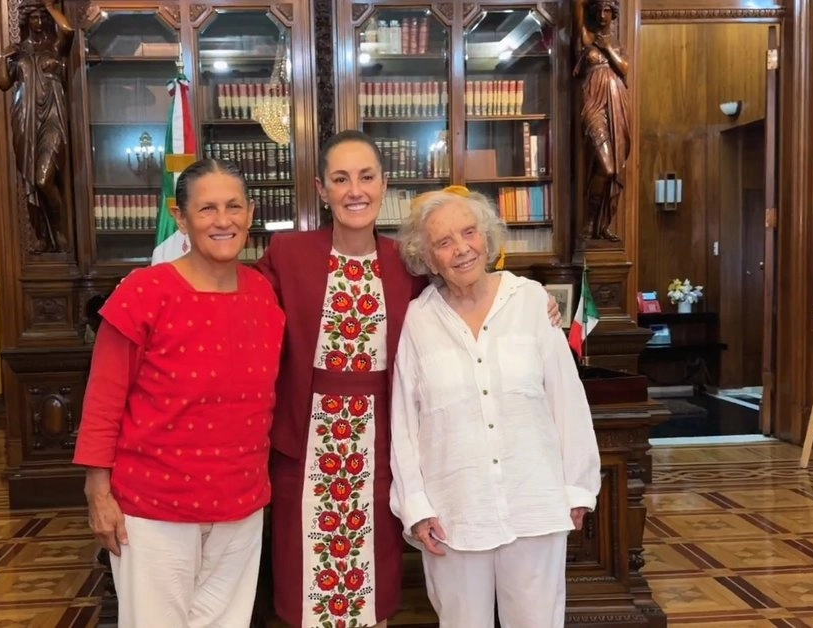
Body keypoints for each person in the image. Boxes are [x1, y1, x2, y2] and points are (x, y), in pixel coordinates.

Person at [256, 131, 562, 628]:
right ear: (322, 189)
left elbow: (470, 280)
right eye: (341, 179)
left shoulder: (408, 262)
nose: (355, 190)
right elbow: (243, 306)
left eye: (366, 177)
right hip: (310, 451)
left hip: (383, 449)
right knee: (304, 596)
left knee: (374, 592)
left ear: (383, 184)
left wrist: (535, 296)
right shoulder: (288, 254)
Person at [73, 158, 285, 628]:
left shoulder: (263, 294)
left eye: (234, 207)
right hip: (154, 508)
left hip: (241, 502)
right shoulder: (142, 293)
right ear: (181, 216)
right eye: (207, 209)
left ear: (251, 213)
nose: (223, 220)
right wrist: (97, 493)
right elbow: (104, 400)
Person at [389, 187, 602, 628]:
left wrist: (578, 486)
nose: (461, 248)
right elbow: (404, 424)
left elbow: (568, 400)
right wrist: (416, 506)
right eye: (444, 242)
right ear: (427, 259)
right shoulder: (417, 320)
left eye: (469, 232)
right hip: (454, 514)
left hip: (535, 504)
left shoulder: (530, 303)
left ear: (486, 238)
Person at [0, 0, 74, 252]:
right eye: (34, 17)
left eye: (43, 17)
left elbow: (68, 30)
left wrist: (51, 6)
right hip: (24, 118)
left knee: (44, 179)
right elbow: (3, 84)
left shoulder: (55, 47)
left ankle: (60, 232)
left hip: (52, 116)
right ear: (26, 21)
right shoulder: (18, 51)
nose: (39, 22)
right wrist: (2, 58)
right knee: (30, 178)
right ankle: (42, 237)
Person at [574, 0, 630, 242]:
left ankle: (602, 225)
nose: (602, 15)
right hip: (593, 105)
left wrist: (608, 48)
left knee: (613, 168)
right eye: (598, 10)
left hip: (616, 105)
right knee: (606, 167)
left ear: (614, 14)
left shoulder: (615, 43)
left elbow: (625, 69)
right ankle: (588, 222)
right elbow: (577, 11)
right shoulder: (587, 38)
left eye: (607, 10)